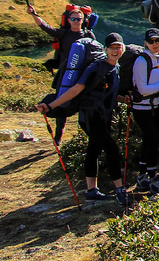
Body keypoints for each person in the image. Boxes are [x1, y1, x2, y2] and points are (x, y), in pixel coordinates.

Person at [36, 33, 128, 206]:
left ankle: (91, 191)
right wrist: (51, 106)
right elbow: (76, 89)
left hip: (104, 118)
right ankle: (120, 190)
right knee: (112, 150)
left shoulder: (115, 68)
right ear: (106, 50)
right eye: (112, 48)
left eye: (118, 47)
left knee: (94, 151)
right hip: (90, 118)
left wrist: (124, 99)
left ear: (123, 48)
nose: (115, 50)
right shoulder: (95, 68)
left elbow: (108, 94)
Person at [28, 3, 95, 144]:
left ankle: (83, 137)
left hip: (82, 76)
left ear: (83, 20)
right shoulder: (64, 34)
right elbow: (46, 28)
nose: (76, 21)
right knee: (60, 102)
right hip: (65, 75)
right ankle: (58, 137)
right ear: (69, 20)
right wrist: (34, 14)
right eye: (74, 19)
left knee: (83, 104)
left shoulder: (88, 35)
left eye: (79, 19)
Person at [131, 28, 159, 191]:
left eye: (158, 40)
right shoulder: (141, 61)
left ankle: (142, 177)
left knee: (149, 140)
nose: (155, 44)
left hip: (156, 106)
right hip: (141, 108)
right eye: (151, 41)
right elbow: (142, 89)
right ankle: (152, 178)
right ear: (145, 43)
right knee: (154, 139)